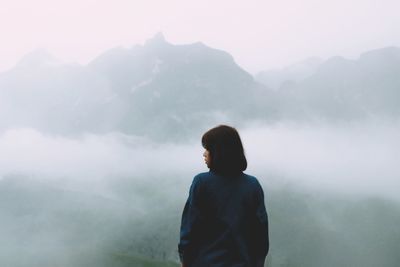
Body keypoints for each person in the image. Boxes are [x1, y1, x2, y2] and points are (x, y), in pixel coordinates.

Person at [178, 125, 269, 267]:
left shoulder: (202, 182)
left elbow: (190, 229)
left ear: (218, 151)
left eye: (207, 148)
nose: (204, 154)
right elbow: (260, 235)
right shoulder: (252, 185)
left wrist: (185, 260)